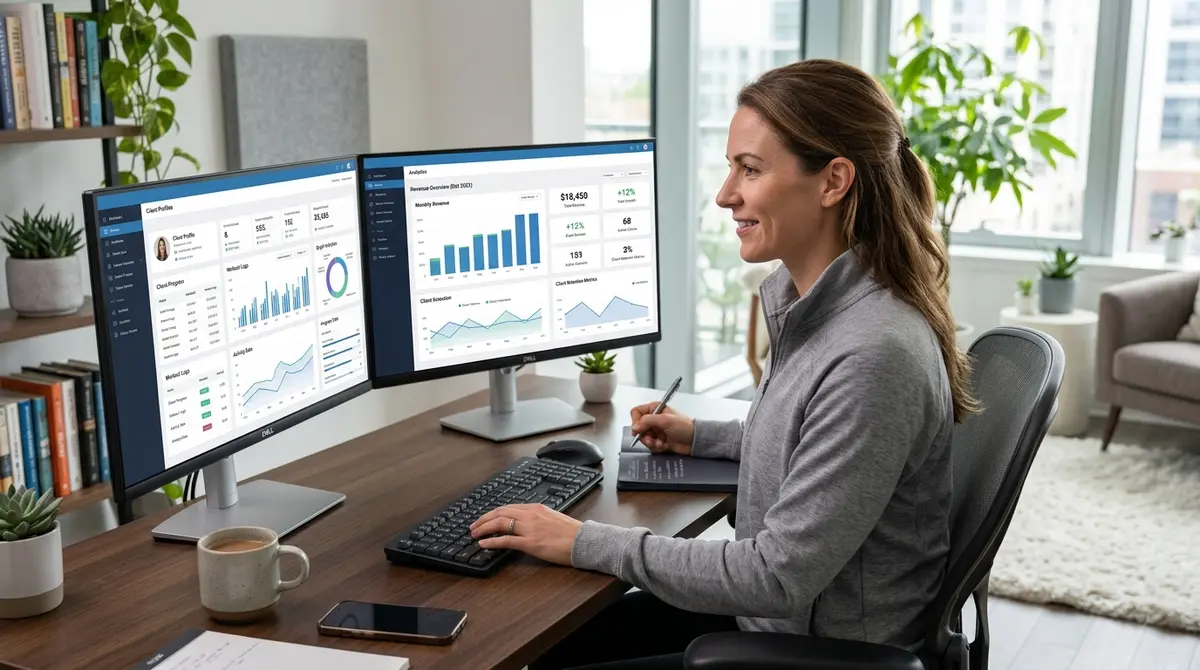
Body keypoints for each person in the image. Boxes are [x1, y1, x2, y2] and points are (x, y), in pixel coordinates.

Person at [469, 58, 978, 669]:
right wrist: (703, 436)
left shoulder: (873, 353)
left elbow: (775, 576)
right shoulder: (825, 308)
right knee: (554, 644)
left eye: (750, 169)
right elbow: (813, 445)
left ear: (833, 181)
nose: (725, 194)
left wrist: (581, 539)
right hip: (779, 625)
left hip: (814, 652)